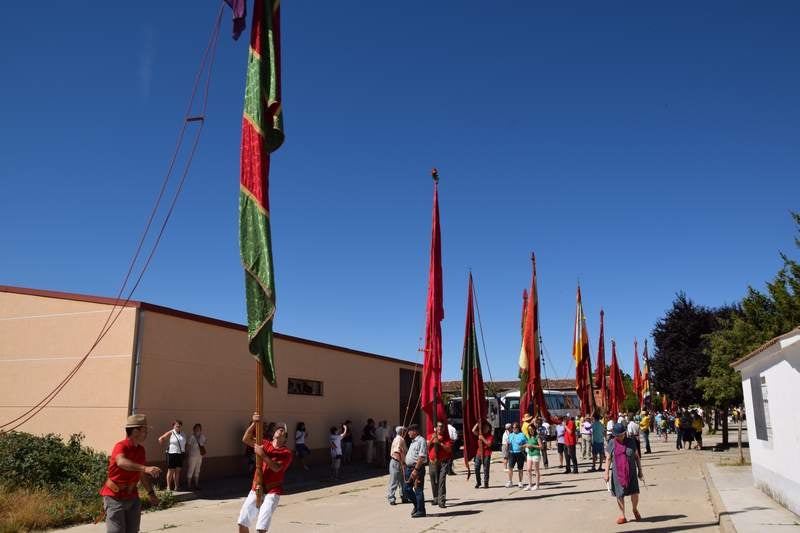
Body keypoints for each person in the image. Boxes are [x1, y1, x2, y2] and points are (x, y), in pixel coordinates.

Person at [100, 414, 161, 533]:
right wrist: (145, 468)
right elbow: (121, 462)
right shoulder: (121, 446)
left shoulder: (141, 450)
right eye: (145, 430)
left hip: (132, 497)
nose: (147, 433)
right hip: (114, 497)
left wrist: (151, 493)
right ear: (135, 430)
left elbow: (141, 474)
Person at [238, 414, 292, 533]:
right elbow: (246, 439)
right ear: (273, 435)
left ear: (285, 438)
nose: (280, 430)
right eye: (278, 429)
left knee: (261, 528)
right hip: (257, 487)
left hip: (272, 491)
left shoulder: (286, 452)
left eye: (283, 430)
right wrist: (254, 423)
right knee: (242, 522)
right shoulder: (265, 444)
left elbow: (276, 468)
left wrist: (262, 455)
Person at [604, 422, 644, 525]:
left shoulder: (631, 441)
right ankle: (622, 515)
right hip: (618, 473)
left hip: (631, 472)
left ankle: (635, 509)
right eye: (618, 435)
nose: (620, 437)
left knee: (634, 492)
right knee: (620, 494)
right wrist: (606, 473)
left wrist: (640, 470)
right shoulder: (612, 443)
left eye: (622, 434)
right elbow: (608, 459)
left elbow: (636, 457)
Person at [403, 424, 428, 518]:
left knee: (418, 490)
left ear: (416, 431)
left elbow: (421, 457)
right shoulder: (413, 442)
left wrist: (416, 470)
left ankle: (421, 511)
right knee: (406, 489)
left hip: (417, 469)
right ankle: (417, 506)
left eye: (410, 431)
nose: (408, 433)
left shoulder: (421, 441)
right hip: (409, 469)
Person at [427, 420, 453, 508]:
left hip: (443, 462)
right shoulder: (431, 436)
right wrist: (432, 439)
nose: (440, 428)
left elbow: (449, 449)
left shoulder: (446, 438)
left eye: (442, 426)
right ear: (436, 427)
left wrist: (440, 443)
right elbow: (426, 446)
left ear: (444, 428)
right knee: (433, 480)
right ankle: (435, 498)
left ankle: (441, 501)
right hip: (432, 462)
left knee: (441, 481)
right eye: (438, 426)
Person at [158, 420, 186, 491]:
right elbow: (161, 438)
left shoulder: (182, 434)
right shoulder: (171, 432)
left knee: (178, 471)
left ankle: (176, 486)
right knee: (171, 471)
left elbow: (185, 443)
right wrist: (162, 443)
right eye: (177, 425)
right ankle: (168, 486)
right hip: (171, 453)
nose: (178, 427)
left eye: (179, 425)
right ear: (173, 426)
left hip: (180, 454)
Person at [388, 426, 409, 505]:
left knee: (402, 481)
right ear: (401, 432)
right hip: (397, 462)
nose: (406, 432)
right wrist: (402, 463)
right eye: (404, 431)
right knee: (394, 481)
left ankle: (404, 497)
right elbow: (397, 453)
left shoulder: (400, 439)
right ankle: (391, 498)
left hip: (398, 462)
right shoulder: (399, 439)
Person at [472, 420, 493, 489]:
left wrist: (482, 438)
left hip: (487, 454)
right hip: (479, 453)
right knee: (476, 468)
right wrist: (478, 423)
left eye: (486, 427)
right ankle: (478, 482)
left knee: (486, 469)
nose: (485, 428)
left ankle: (486, 483)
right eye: (483, 427)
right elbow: (473, 430)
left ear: (489, 428)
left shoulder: (490, 436)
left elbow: (489, 444)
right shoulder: (480, 433)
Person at [185, 423, 207, 491]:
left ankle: (196, 485)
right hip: (192, 456)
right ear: (194, 429)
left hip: (199, 456)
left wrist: (201, 439)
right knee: (191, 470)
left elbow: (205, 441)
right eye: (196, 428)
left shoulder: (202, 436)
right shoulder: (192, 437)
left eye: (199, 428)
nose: (198, 430)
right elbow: (187, 445)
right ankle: (189, 486)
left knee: (197, 470)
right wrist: (186, 453)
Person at [505, 422, 527, 488]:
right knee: (510, 468)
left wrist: (522, 446)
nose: (514, 429)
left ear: (518, 428)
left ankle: (520, 482)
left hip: (520, 453)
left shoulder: (522, 435)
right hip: (512, 453)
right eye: (513, 428)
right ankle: (510, 481)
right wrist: (507, 445)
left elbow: (527, 443)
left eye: (515, 428)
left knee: (520, 468)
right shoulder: (510, 435)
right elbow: (508, 444)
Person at [523, 424, 543, 490]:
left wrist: (532, 446)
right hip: (530, 454)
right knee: (528, 469)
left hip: (536, 454)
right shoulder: (529, 437)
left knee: (536, 470)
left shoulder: (537, 437)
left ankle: (537, 485)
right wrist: (525, 446)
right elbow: (528, 444)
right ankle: (530, 484)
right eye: (529, 430)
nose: (530, 431)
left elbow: (541, 446)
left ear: (534, 429)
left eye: (531, 429)